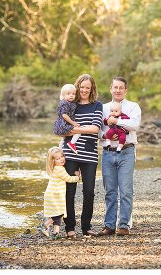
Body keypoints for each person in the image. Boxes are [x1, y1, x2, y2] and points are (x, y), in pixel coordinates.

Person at [58, 73, 103, 239]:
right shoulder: (71, 105)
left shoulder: (97, 106)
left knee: (89, 191)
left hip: (90, 154)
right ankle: (70, 227)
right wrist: (84, 128)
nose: (84, 90)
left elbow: (95, 129)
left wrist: (75, 129)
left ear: (92, 90)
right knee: (69, 190)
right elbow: (61, 128)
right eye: (82, 87)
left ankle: (86, 227)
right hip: (70, 152)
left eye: (87, 88)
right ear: (78, 87)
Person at [97, 77, 141, 236]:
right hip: (108, 152)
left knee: (126, 190)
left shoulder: (133, 107)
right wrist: (106, 136)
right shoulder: (103, 108)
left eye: (121, 87)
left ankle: (123, 225)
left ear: (125, 90)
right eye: (115, 87)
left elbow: (135, 125)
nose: (118, 90)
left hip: (127, 152)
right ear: (110, 89)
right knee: (110, 191)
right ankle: (109, 225)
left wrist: (116, 121)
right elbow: (98, 129)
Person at [41, 147, 81, 239]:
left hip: (53, 194)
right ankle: (45, 225)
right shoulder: (60, 169)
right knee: (60, 213)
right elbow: (69, 179)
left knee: (57, 212)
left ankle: (56, 233)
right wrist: (78, 177)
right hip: (55, 195)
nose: (61, 159)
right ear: (53, 161)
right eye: (58, 158)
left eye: (62, 156)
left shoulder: (56, 168)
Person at [53, 84, 81, 153]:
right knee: (79, 131)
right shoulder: (65, 103)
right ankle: (72, 143)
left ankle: (59, 150)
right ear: (63, 95)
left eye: (73, 94)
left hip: (61, 125)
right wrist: (73, 123)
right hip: (63, 125)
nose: (71, 95)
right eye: (68, 94)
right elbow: (64, 115)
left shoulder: (70, 102)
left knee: (64, 137)